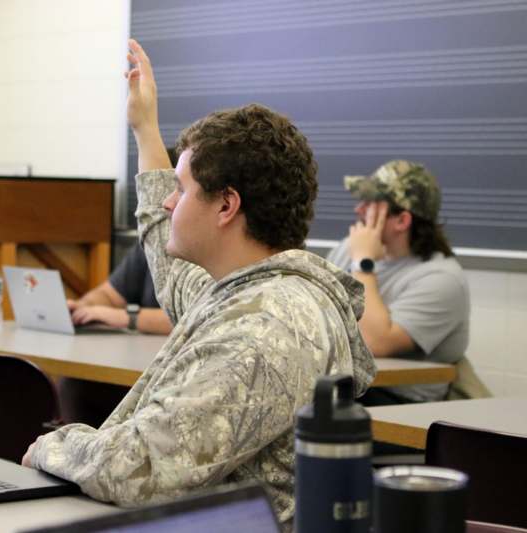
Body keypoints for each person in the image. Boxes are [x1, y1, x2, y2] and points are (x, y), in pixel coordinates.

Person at [21, 39, 375, 530]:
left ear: (226, 206)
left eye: (183, 190)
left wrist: (51, 445)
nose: (169, 204)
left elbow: (137, 469)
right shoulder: (243, 293)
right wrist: (145, 128)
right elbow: (169, 264)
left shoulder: (265, 328)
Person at [326, 160, 470, 405]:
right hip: (347, 386)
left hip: (400, 403)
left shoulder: (442, 279)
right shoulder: (346, 249)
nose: (359, 209)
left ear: (402, 221)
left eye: (370, 203)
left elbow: (375, 343)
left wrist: (363, 263)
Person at [61, 242, 173, 427]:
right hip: (135, 368)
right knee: (77, 383)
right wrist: (84, 306)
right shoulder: (152, 243)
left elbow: (195, 315)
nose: (165, 211)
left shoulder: (205, 252)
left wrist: (124, 316)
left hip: (171, 376)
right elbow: (109, 294)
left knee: (77, 388)